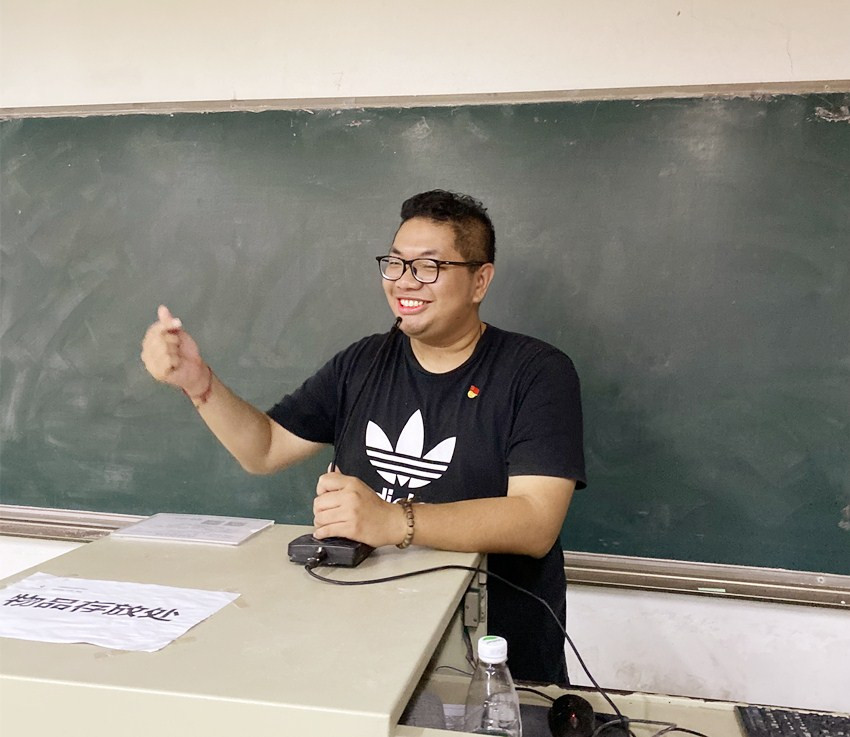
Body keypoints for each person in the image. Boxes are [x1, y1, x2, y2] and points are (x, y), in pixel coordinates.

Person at [141, 190, 586, 684]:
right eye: (394, 264)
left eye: (428, 267)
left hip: (498, 665)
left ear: (480, 280)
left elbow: (535, 522)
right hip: (369, 647)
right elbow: (264, 448)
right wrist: (199, 384)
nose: (404, 281)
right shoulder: (363, 362)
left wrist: (393, 521)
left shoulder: (536, 372)